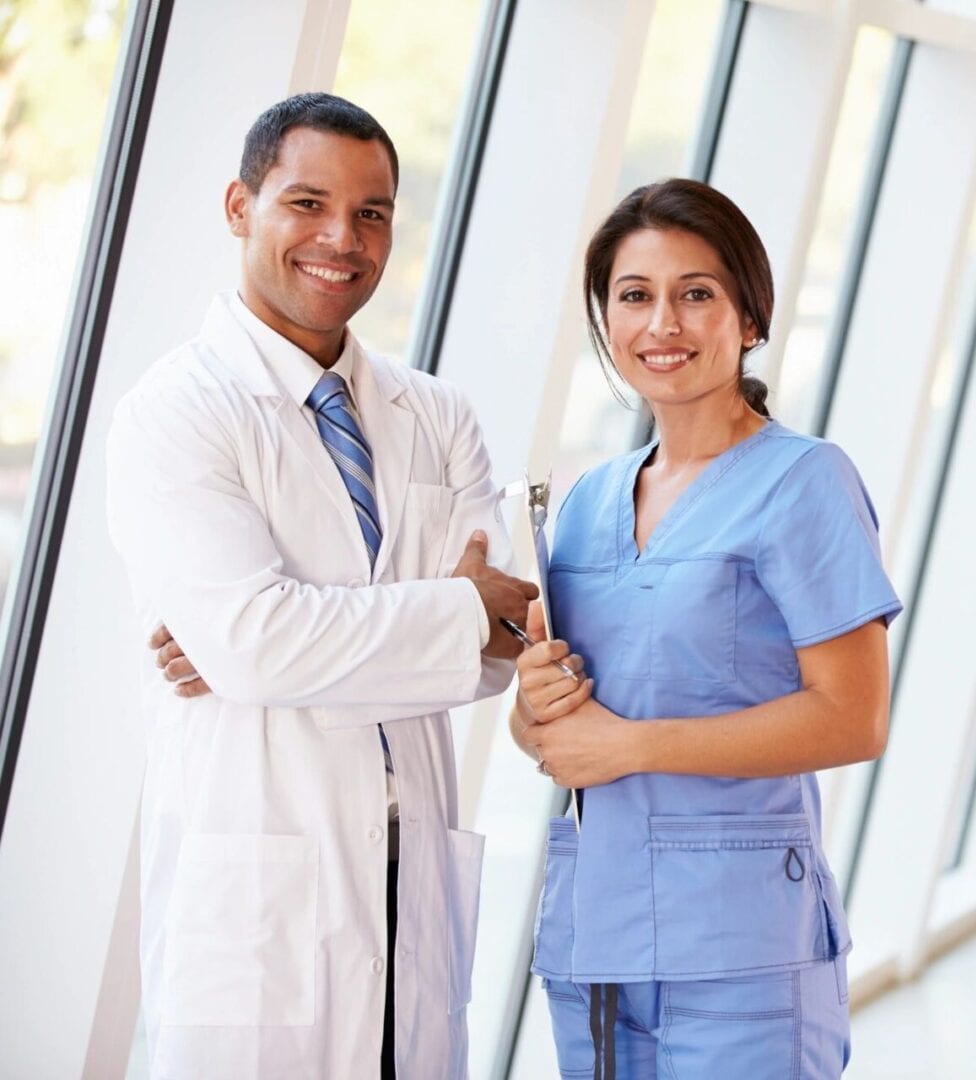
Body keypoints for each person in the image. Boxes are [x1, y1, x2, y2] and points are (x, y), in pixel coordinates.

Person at [105, 93, 536, 1080]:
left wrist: (284, 646)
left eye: (373, 213)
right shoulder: (176, 413)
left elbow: (494, 655)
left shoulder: (436, 414)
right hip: (265, 891)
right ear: (238, 206)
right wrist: (453, 612)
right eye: (307, 203)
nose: (342, 239)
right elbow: (265, 641)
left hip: (407, 870)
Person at [509, 178, 902, 1079]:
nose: (664, 325)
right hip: (597, 937)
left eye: (697, 294)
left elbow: (854, 717)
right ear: (607, 321)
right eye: (635, 296)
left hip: (741, 949)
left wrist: (633, 746)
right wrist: (535, 713)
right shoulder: (588, 502)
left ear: (749, 318)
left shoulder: (804, 483)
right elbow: (557, 731)